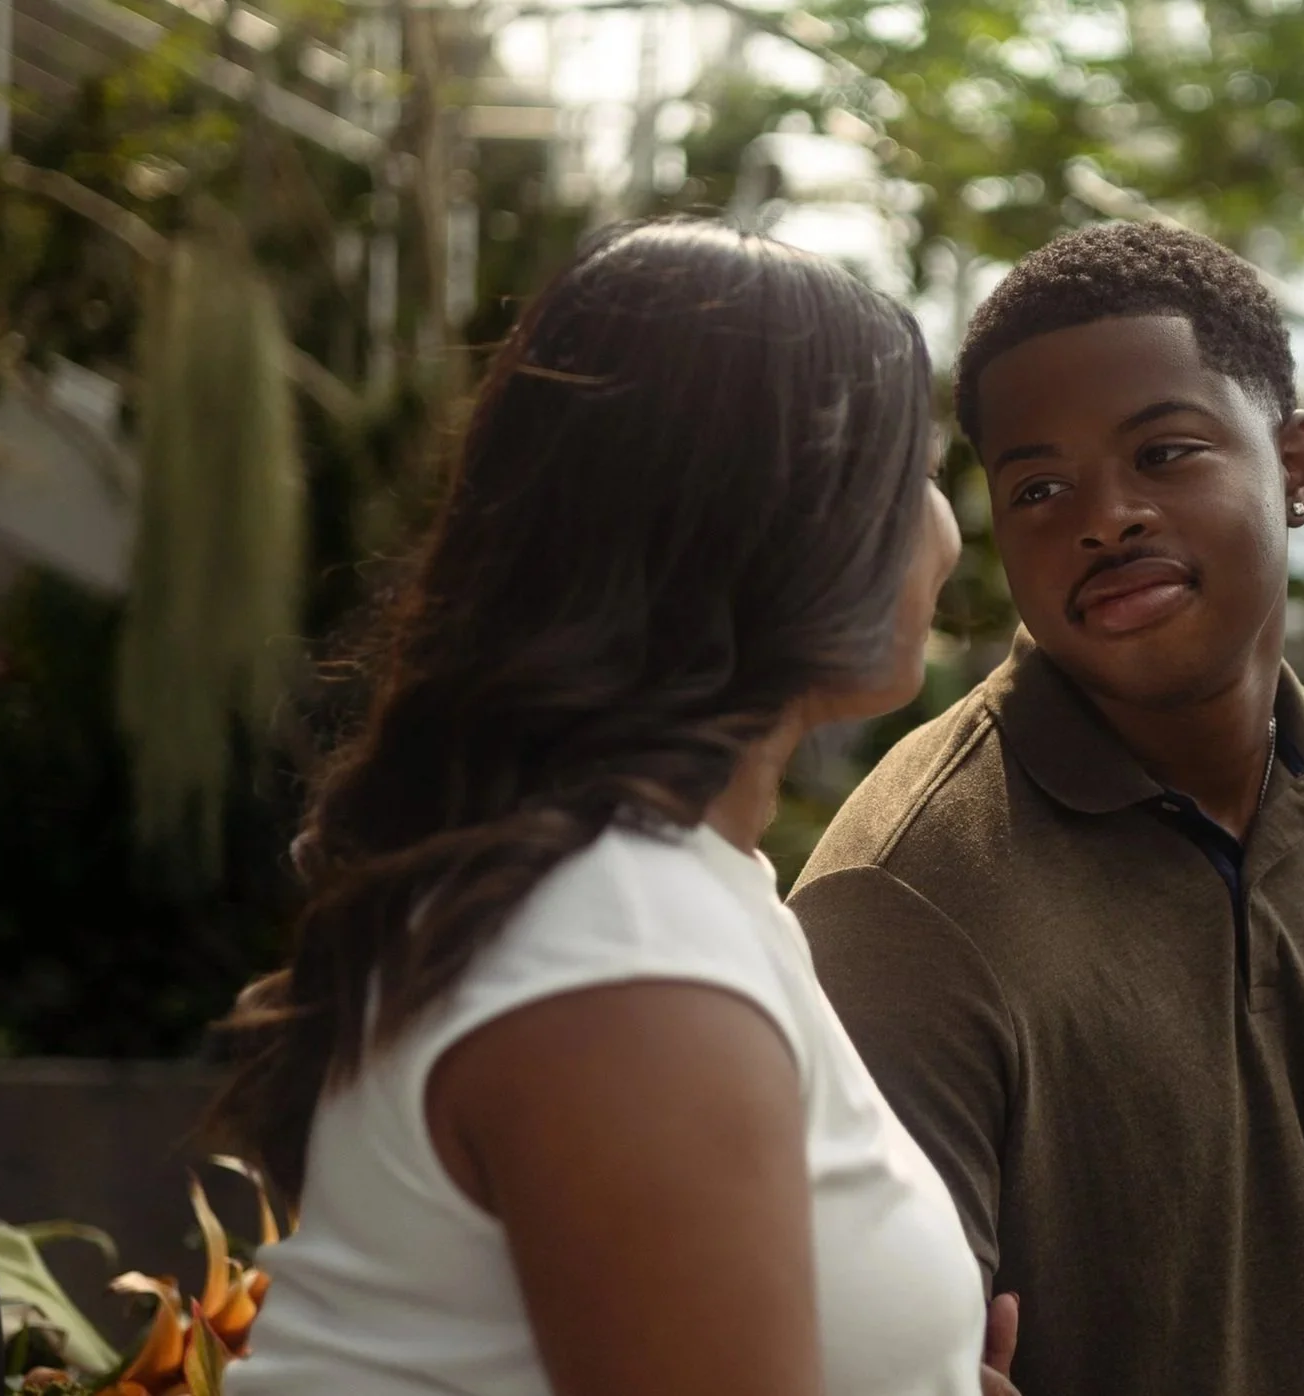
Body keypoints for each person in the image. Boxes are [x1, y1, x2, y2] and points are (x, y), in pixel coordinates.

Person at [789, 221, 1304, 1396]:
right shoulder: (905, 899)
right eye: (1039, 486)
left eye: (1167, 453)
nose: (1105, 515)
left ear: (1294, 467)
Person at [208, 219, 1012, 1396]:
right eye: (914, 472)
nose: (945, 524)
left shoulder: (669, 891)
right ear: (771, 522)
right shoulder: (624, 955)